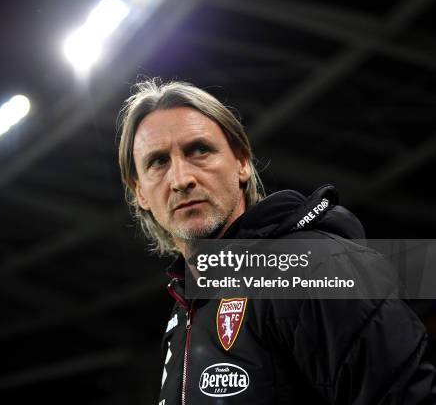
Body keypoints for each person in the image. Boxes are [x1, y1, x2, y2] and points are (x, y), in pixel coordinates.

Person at [117, 79, 436, 404]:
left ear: (241, 163)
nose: (181, 179)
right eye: (158, 162)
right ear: (139, 191)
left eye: (199, 150)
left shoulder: (315, 267)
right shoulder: (186, 309)